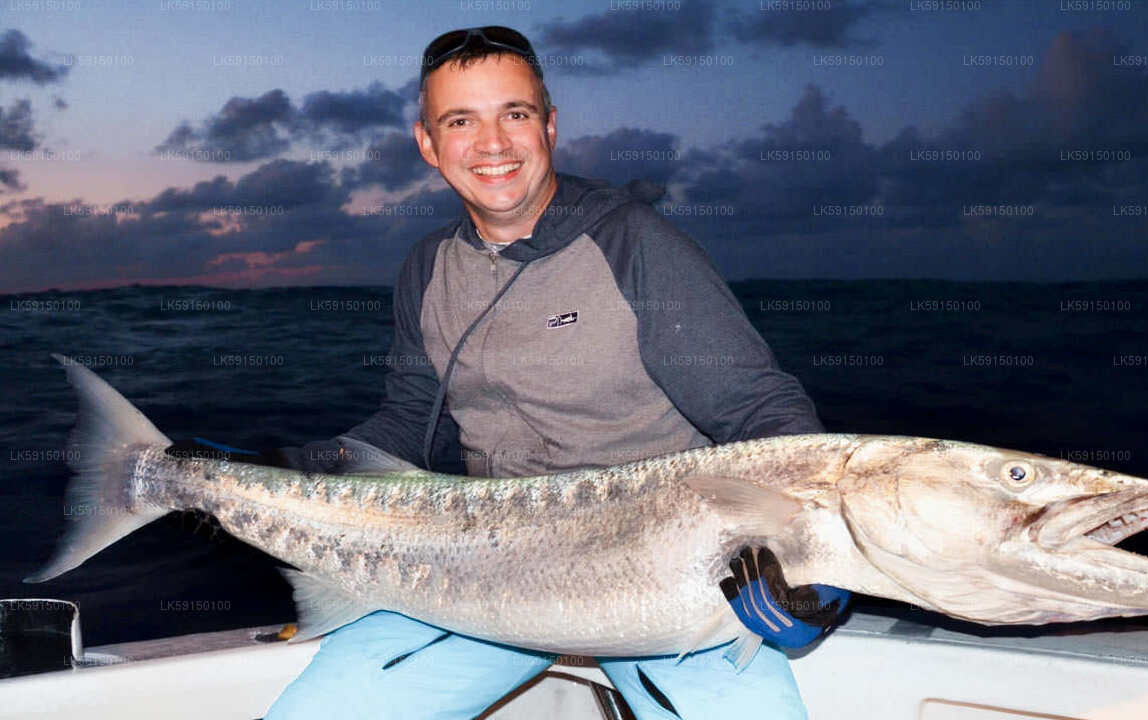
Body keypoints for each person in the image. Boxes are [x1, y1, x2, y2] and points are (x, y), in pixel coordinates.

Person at [172, 26, 851, 720]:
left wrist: (812, 558)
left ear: (550, 127)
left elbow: (759, 410)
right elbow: (411, 424)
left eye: (515, 114)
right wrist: (283, 467)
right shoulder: (427, 267)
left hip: (664, 579)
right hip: (478, 577)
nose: (492, 144)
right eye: (461, 121)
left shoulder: (635, 243)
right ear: (429, 145)